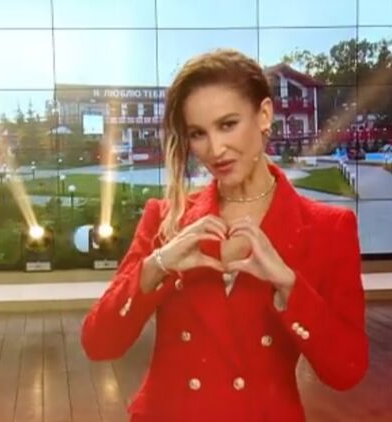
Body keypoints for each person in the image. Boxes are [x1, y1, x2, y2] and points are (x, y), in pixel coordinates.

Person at [81, 49, 368, 421]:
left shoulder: (328, 228)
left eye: (228, 124)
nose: (215, 149)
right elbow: (99, 343)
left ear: (264, 115)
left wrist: (289, 286)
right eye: (198, 134)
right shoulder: (166, 219)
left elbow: (347, 370)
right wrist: (158, 265)